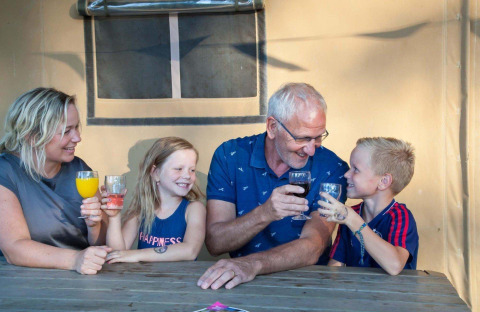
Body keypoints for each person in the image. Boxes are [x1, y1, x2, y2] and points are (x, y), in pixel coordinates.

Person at [197, 83, 349, 290]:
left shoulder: (332, 167)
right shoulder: (229, 156)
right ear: (272, 127)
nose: (312, 149)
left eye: (319, 137)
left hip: (308, 284)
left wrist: (252, 264)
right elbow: (216, 243)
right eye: (302, 138)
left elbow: (313, 246)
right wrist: (265, 213)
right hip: (241, 283)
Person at [0, 87, 110, 275]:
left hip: (83, 280)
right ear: (33, 137)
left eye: (76, 128)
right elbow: (14, 249)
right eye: (67, 131)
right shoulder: (6, 171)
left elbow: (101, 244)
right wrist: (75, 259)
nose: (77, 138)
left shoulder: (80, 169)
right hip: (22, 284)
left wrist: (96, 225)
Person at [318, 137, 418, 275]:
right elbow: (335, 266)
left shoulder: (401, 216)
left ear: (384, 181)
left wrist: (353, 221)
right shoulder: (351, 214)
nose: (346, 174)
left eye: (356, 169)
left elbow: (394, 265)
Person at [103, 137, 206, 263]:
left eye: (192, 170)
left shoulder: (194, 209)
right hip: (146, 281)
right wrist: (114, 217)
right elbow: (117, 254)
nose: (187, 176)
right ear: (156, 173)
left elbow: (190, 250)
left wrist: (136, 255)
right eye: (178, 168)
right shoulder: (141, 209)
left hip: (179, 281)